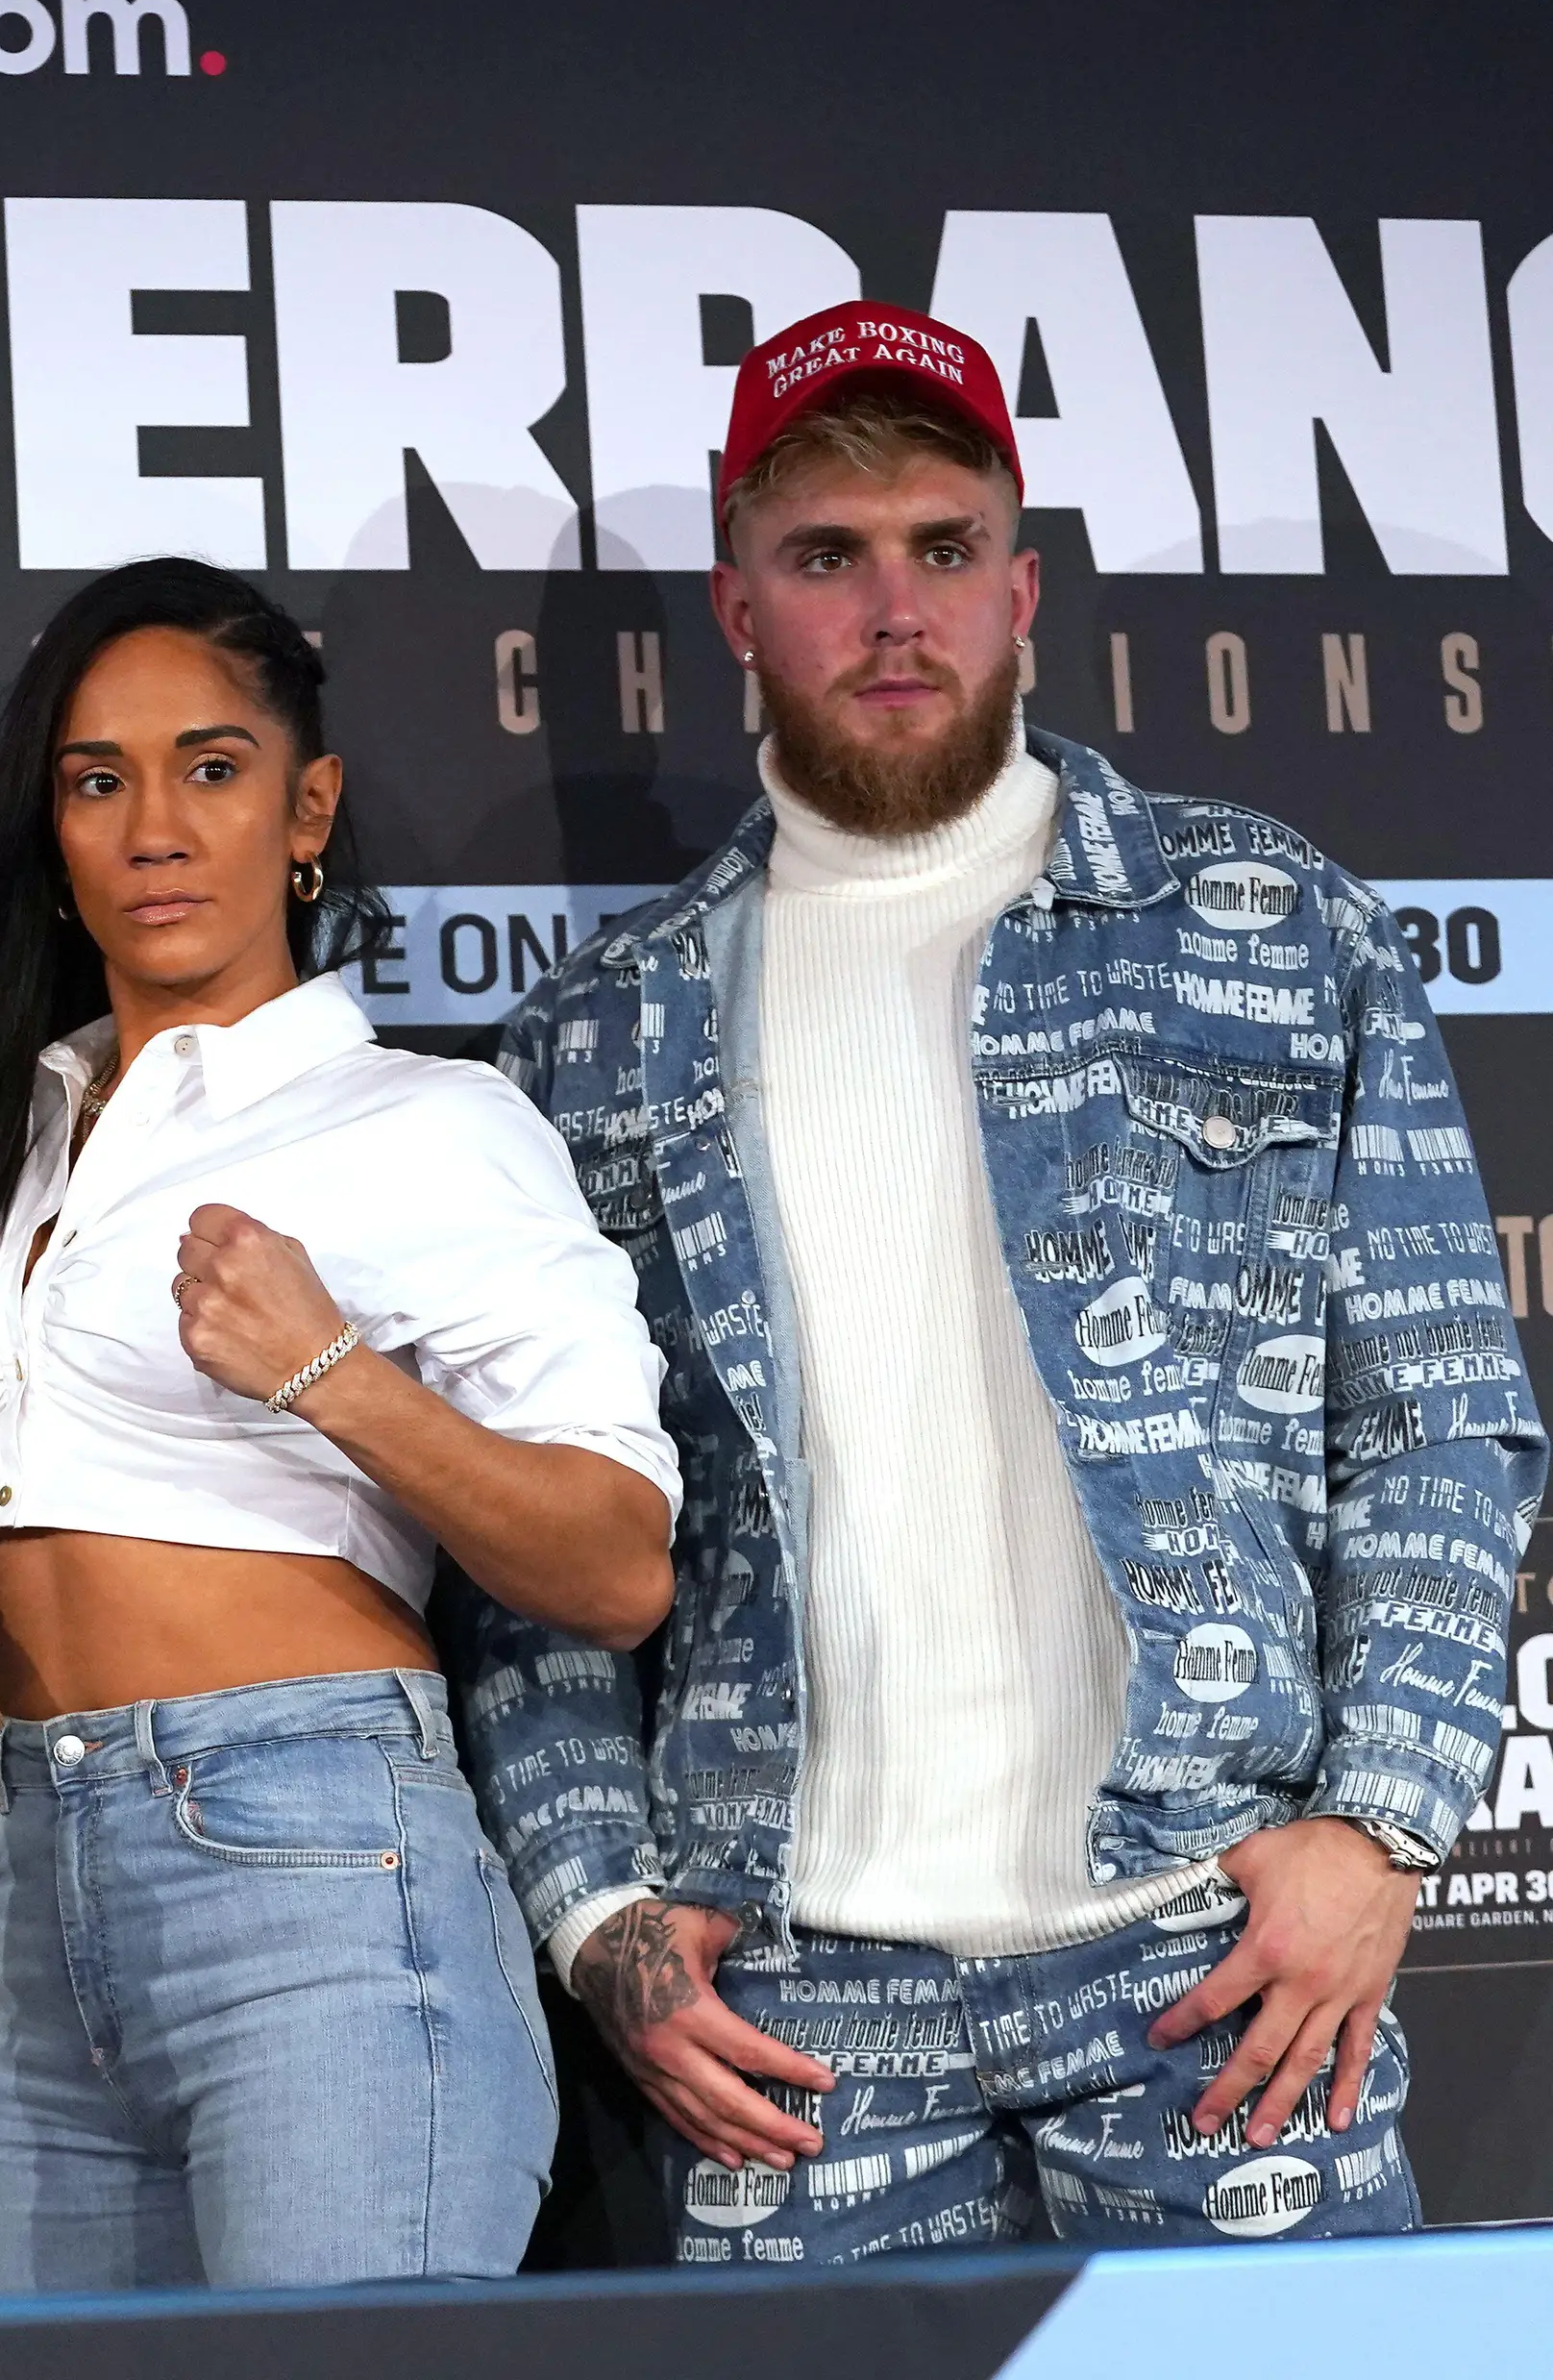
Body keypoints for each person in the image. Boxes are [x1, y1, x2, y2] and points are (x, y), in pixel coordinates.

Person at [453, 302, 1545, 2260]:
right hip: (800, 2015)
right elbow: (536, 1550)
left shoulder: (1274, 925)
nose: (895, 609)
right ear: (735, 606)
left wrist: (1379, 1826)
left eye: (942, 547)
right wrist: (596, 1907)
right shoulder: (596, 1039)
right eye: (826, 556)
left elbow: (1445, 1416)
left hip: (1214, 1960)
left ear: (1022, 584)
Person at [0, 558, 682, 2294]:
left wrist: (331, 1375)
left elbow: (616, 1563)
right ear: (53, 835)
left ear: (310, 808)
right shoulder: (13, 1152)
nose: (153, 826)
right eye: (97, 779)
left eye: (212, 769)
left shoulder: (429, 1124)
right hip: (41, 1909)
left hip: (316, 1875)